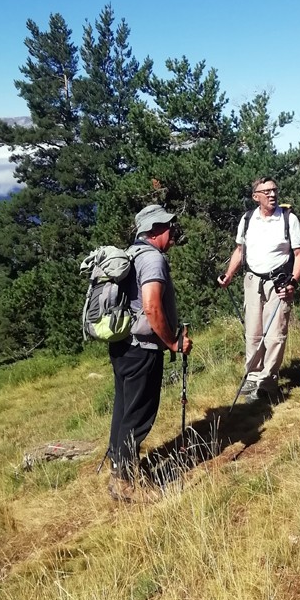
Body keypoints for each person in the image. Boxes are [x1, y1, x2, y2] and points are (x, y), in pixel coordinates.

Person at [107, 204, 193, 503]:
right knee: (139, 415)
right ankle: (127, 482)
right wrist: (172, 342)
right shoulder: (153, 259)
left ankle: (118, 467)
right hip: (142, 348)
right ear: (156, 229)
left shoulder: (131, 254)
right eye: (169, 227)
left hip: (121, 345)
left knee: (124, 410)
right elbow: (152, 306)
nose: (173, 233)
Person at [218, 177, 300, 400]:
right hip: (252, 280)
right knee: (253, 333)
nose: (272, 195)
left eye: (274, 190)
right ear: (255, 196)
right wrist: (228, 275)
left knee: (275, 335)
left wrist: (292, 283)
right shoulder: (247, 219)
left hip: (279, 282)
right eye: (266, 191)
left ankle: (267, 382)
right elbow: (240, 250)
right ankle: (253, 377)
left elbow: (299, 254)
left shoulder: (289, 219)